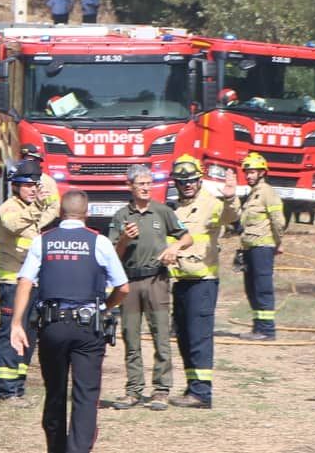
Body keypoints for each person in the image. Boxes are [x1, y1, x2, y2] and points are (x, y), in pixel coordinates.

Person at [10, 190, 128, 453]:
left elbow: (25, 281)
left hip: (52, 326)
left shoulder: (43, 240)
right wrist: (106, 307)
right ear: (86, 213)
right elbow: (123, 287)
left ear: (61, 213)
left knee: (55, 391)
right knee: (86, 395)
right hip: (89, 328)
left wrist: (16, 323)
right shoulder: (98, 241)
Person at [106, 167, 191, 411]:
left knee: (161, 336)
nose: (145, 187)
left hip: (157, 281)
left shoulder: (162, 211)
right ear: (130, 186)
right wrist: (124, 239)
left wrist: (174, 248)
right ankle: (133, 390)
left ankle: (161, 390)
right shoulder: (121, 216)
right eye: (140, 183)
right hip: (130, 282)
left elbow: (187, 237)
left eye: (148, 183)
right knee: (131, 336)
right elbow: (112, 254)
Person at [168, 155, 228, 408]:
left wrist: (233, 198)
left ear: (200, 179)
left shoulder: (212, 204)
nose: (187, 185)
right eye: (182, 182)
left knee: (198, 337)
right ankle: (193, 387)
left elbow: (230, 217)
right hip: (180, 280)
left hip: (202, 281)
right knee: (183, 335)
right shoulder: (173, 209)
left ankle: (202, 393)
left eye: (191, 180)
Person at [0, 161, 45, 401]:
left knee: (29, 335)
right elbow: (13, 225)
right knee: (11, 333)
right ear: (15, 186)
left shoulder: (31, 208)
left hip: (32, 283)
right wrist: (38, 207)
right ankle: (5, 389)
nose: (33, 189)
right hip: (12, 283)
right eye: (28, 185)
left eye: (36, 185)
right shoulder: (9, 208)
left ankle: (18, 386)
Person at [234, 152, 288, 339]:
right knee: (252, 289)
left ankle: (267, 329)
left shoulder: (267, 193)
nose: (248, 175)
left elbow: (278, 221)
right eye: (247, 172)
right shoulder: (252, 195)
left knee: (262, 288)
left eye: (253, 172)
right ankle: (258, 328)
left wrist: (277, 242)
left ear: (262, 173)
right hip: (249, 247)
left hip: (262, 247)